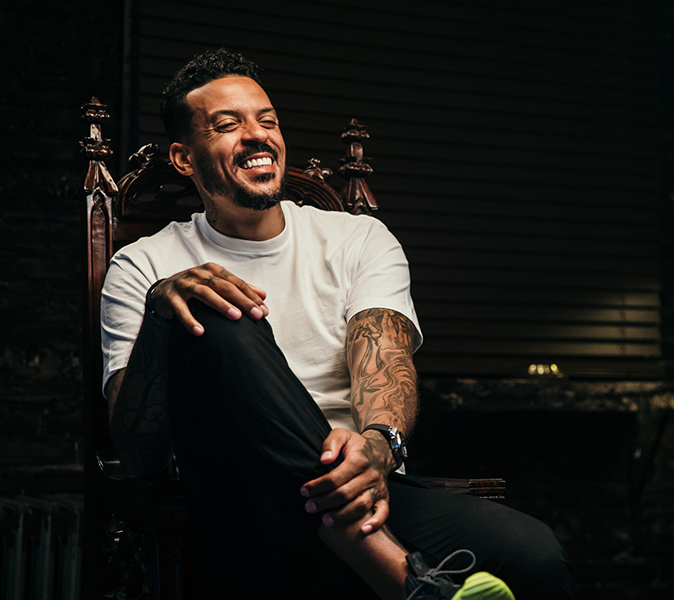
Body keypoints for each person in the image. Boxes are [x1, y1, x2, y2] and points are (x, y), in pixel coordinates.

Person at [100, 48, 573, 599]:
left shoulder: (357, 240)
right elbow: (139, 452)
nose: (257, 136)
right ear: (184, 158)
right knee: (201, 297)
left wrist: (377, 445)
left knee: (532, 555)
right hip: (236, 505)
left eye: (267, 120)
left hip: (361, 481)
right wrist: (162, 313)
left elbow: (384, 362)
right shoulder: (144, 265)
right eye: (228, 125)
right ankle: (402, 580)